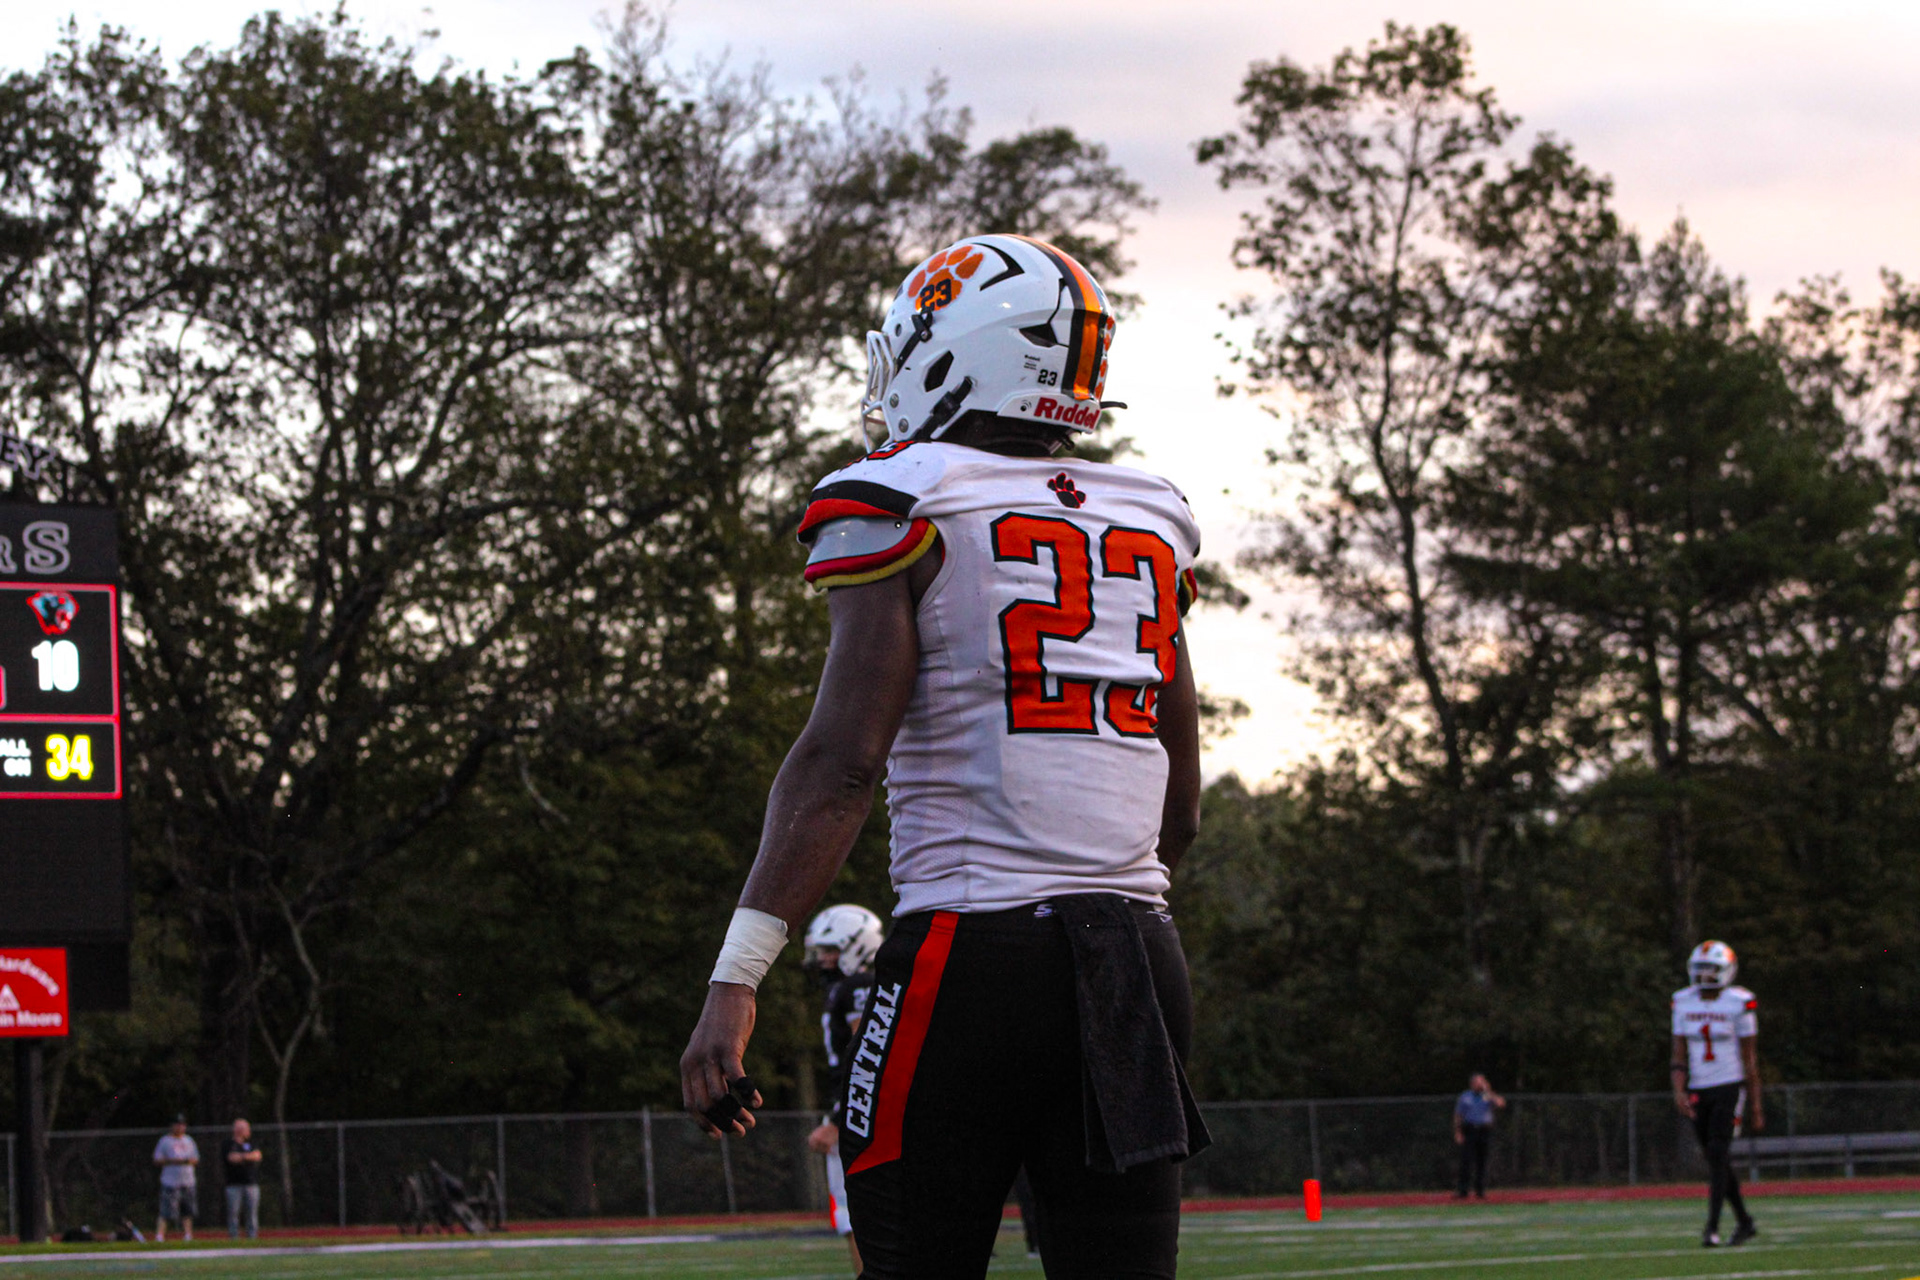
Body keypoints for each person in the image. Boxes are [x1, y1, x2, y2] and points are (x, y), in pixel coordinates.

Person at [681, 232, 1208, 1280]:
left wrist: (736, 977)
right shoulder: (1153, 515)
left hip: (973, 952)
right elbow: (1178, 805)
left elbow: (841, 762)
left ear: (962, 351)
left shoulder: (903, 493)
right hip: (1138, 956)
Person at [803, 903, 884, 1275]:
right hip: (860, 1106)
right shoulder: (850, 987)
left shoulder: (859, 987)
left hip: (859, 1110)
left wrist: (839, 1118)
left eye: (831, 950)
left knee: (855, 1212)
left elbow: (867, 1051)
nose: (823, 959)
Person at [1672, 939, 1763, 1248]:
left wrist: (1756, 1104)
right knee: (1715, 1158)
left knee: (1717, 1152)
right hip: (1699, 1087)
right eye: (1701, 969)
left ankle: (1711, 1227)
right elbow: (1678, 1053)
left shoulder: (1740, 1002)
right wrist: (1678, 1089)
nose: (1705, 976)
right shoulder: (1682, 1001)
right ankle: (1745, 1222)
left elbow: (1750, 1058)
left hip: (1729, 1085)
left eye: (1712, 970)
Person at [1451, 1073, 1505, 1198]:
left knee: (1482, 1161)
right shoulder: (1465, 1096)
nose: (1480, 1085)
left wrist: (1488, 1091)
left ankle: (1480, 1190)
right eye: (1477, 1082)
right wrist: (1458, 1132)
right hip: (1469, 1130)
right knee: (1466, 1161)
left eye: (1482, 1082)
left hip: (1484, 1130)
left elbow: (1500, 1104)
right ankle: (1463, 1190)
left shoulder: (1487, 1096)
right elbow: (1458, 1115)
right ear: (1472, 1084)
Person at [152, 1114, 199, 1242]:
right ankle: (160, 1235)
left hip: (187, 1181)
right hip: (170, 1181)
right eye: (177, 1124)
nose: (179, 1127)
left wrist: (186, 1161)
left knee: (187, 1211)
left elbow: (195, 1159)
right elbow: (157, 1159)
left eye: (182, 1125)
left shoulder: (189, 1141)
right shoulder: (165, 1141)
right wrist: (173, 1161)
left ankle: (188, 1235)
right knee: (166, 1211)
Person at [223, 1117, 264, 1239]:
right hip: (233, 1184)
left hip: (251, 1183)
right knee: (233, 1212)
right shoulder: (228, 1144)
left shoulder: (251, 1143)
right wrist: (248, 1157)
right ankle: (234, 1236)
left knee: (252, 1212)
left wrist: (241, 1157)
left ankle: (252, 1235)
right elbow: (231, 1158)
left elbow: (257, 1156)